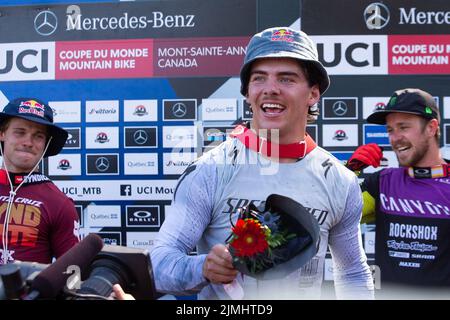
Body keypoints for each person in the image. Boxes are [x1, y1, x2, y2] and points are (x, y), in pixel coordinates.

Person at [150, 27, 374, 300]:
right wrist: (203, 267)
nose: (270, 89)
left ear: (313, 94)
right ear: (247, 92)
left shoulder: (340, 180)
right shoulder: (210, 170)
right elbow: (158, 265)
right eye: (259, 79)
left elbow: (352, 273)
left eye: (287, 79)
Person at [346, 88, 450, 297]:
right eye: (390, 129)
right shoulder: (383, 182)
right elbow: (334, 215)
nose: (395, 138)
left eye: (403, 127)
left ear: (431, 128)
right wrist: (348, 172)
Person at [0, 98, 80, 265]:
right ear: (2, 133)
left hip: (27, 292)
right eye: (20, 132)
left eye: (38, 136)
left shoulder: (59, 204)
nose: (28, 142)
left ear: (46, 143)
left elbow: (73, 273)